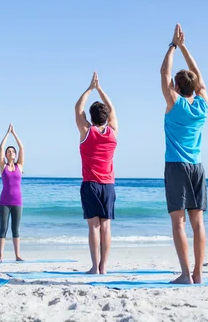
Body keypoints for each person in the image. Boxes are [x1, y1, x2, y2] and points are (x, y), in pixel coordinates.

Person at [160, 24, 208, 284]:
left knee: (179, 223)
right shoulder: (203, 104)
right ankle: (198, 274)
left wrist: (172, 46)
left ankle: (186, 274)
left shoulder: (174, 103)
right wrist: (184, 47)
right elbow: (199, 77)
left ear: (177, 88)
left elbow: (163, 72)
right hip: (197, 167)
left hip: (176, 166)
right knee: (197, 222)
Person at [74, 71, 118, 274]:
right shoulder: (113, 133)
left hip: (90, 184)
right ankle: (104, 267)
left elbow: (77, 108)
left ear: (90, 118)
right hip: (108, 185)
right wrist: (101, 89)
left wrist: (90, 88)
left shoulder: (87, 132)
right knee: (106, 226)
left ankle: (94, 267)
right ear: (107, 117)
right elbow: (114, 110)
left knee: (94, 226)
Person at [0, 123, 25, 262]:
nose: (11, 153)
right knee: (3, 229)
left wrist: (15, 133)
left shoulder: (19, 165)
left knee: (16, 229)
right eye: (9, 152)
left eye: (12, 152)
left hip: (17, 202)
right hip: (4, 202)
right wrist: (7, 133)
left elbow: (22, 148)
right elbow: (1, 147)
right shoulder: (3, 167)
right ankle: (1, 256)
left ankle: (17, 255)